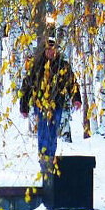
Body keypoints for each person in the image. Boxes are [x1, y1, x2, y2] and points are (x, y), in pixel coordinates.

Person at [19, 32, 81, 173]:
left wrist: (76, 98)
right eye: (48, 49)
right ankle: (43, 158)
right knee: (42, 130)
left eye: (53, 49)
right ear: (44, 50)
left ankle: (51, 157)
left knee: (53, 132)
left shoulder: (62, 65)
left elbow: (72, 83)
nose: (51, 52)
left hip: (57, 104)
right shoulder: (37, 66)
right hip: (40, 104)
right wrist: (24, 106)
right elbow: (27, 85)